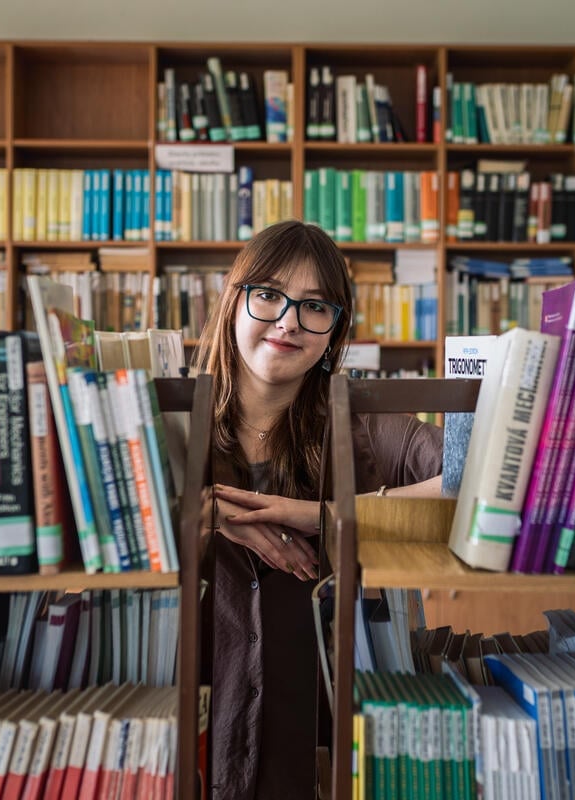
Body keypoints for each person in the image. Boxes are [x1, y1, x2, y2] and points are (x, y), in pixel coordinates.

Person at [193, 220, 443, 800]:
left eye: (314, 306)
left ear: (334, 329)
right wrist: (209, 513)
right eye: (269, 295)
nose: (288, 321)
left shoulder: (365, 425)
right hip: (194, 735)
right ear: (234, 301)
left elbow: (487, 472)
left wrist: (325, 517)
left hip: (329, 742)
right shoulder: (176, 424)